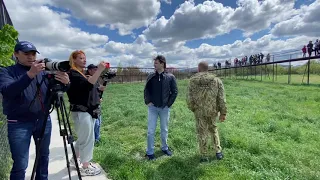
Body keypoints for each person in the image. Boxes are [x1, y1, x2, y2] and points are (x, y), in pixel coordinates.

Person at [0, 41, 70, 180]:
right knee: (20, 163)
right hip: (19, 123)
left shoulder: (42, 72)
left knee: (43, 157)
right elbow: (8, 91)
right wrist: (30, 74)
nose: (31, 56)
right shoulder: (6, 71)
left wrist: (66, 84)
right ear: (16, 54)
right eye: (26, 53)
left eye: (33, 53)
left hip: (43, 120)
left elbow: (54, 91)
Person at [66, 50, 106, 176]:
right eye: (81, 58)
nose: (84, 60)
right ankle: (85, 166)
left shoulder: (81, 74)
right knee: (88, 139)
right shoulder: (73, 74)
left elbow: (87, 90)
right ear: (74, 60)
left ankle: (74, 160)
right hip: (82, 111)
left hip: (88, 110)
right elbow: (89, 85)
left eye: (85, 58)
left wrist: (97, 95)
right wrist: (99, 70)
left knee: (83, 138)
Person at [186, 61, 227, 162]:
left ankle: (204, 155)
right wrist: (223, 112)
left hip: (199, 112)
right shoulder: (216, 80)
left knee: (201, 132)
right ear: (207, 69)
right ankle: (218, 152)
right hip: (212, 111)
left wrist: (193, 108)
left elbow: (188, 98)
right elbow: (221, 98)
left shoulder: (192, 81)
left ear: (198, 69)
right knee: (213, 130)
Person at [143, 55, 178, 160]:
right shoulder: (151, 76)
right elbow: (146, 90)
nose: (154, 64)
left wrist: (168, 104)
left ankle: (164, 147)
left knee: (164, 129)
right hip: (152, 108)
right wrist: (148, 101)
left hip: (164, 109)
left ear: (162, 64)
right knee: (150, 131)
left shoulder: (170, 77)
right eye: (154, 63)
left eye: (156, 63)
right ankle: (150, 152)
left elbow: (175, 91)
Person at [86, 64, 105, 143]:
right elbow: (89, 93)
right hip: (91, 105)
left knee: (99, 122)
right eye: (94, 70)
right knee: (95, 123)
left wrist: (101, 90)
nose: (96, 71)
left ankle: (97, 138)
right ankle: (92, 140)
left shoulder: (96, 79)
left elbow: (97, 90)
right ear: (89, 70)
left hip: (97, 104)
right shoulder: (87, 78)